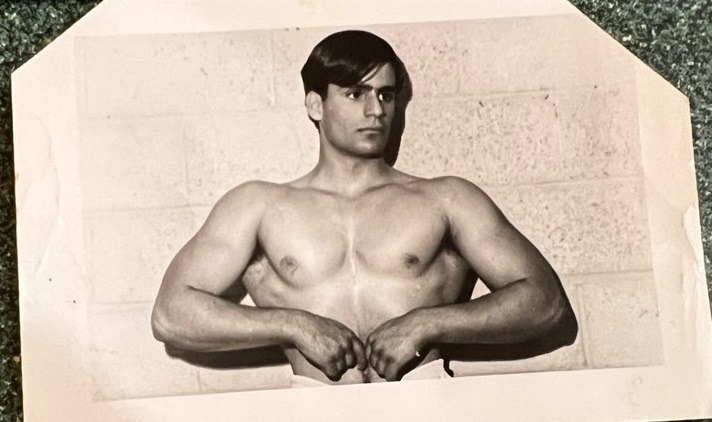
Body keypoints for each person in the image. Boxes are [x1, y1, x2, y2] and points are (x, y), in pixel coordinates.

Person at [151, 30, 578, 386]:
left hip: (426, 403)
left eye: (386, 95)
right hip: (316, 408)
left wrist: (427, 323)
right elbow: (172, 315)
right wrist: (294, 325)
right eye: (356, 93)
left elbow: (546, 303)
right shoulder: (259, 205)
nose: (376, 111)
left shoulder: (446, 198)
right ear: (315, 105)